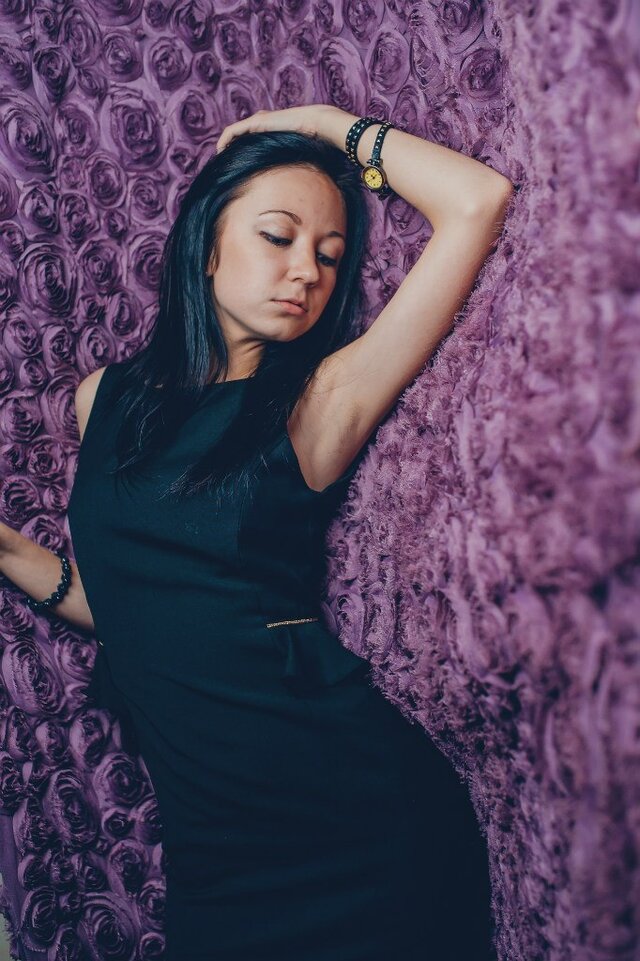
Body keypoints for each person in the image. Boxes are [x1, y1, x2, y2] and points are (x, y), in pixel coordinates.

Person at [0, 103, 513, 960]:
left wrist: (323, 122)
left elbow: (478, 200)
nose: (306, 270)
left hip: (355, 829)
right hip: (215, 857)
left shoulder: (318, 401)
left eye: (330, 255)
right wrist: (8, 549)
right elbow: (141, 605)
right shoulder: (105, 399)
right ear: (206, 245)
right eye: (278, 236)